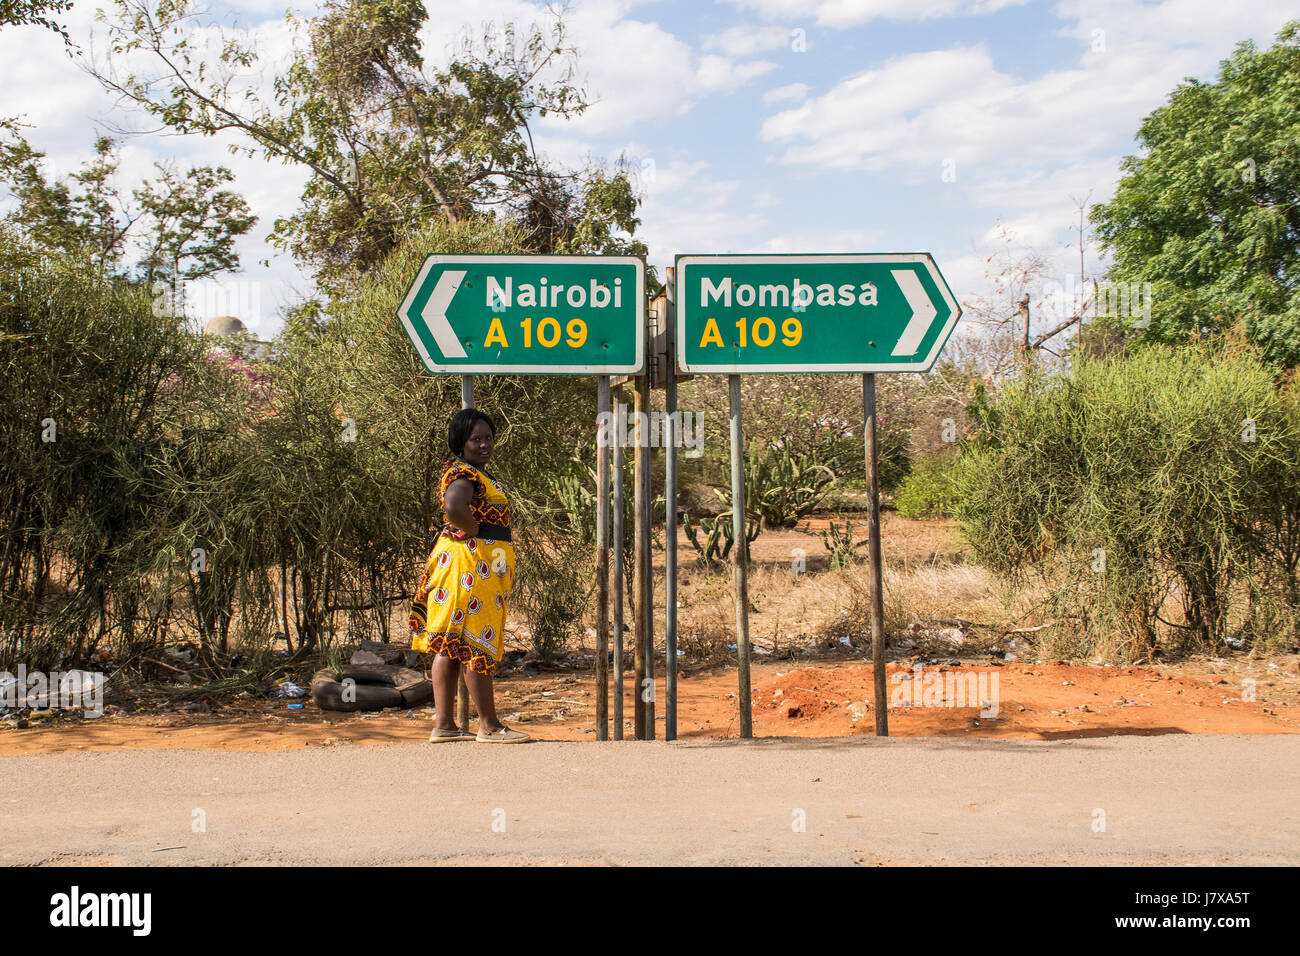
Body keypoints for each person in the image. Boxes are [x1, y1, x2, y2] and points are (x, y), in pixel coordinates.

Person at [409, 408, 529, 743]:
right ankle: (489, 726)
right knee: (478, 642)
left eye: (488, 437)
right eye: (475, 439)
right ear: (460, 443)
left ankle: (445, 726)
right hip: (470, 568)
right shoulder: (465, 476)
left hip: (461, 565)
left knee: (450, 645)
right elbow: (453, 506)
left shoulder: (471, 472)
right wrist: (475, 530)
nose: (484, 444)